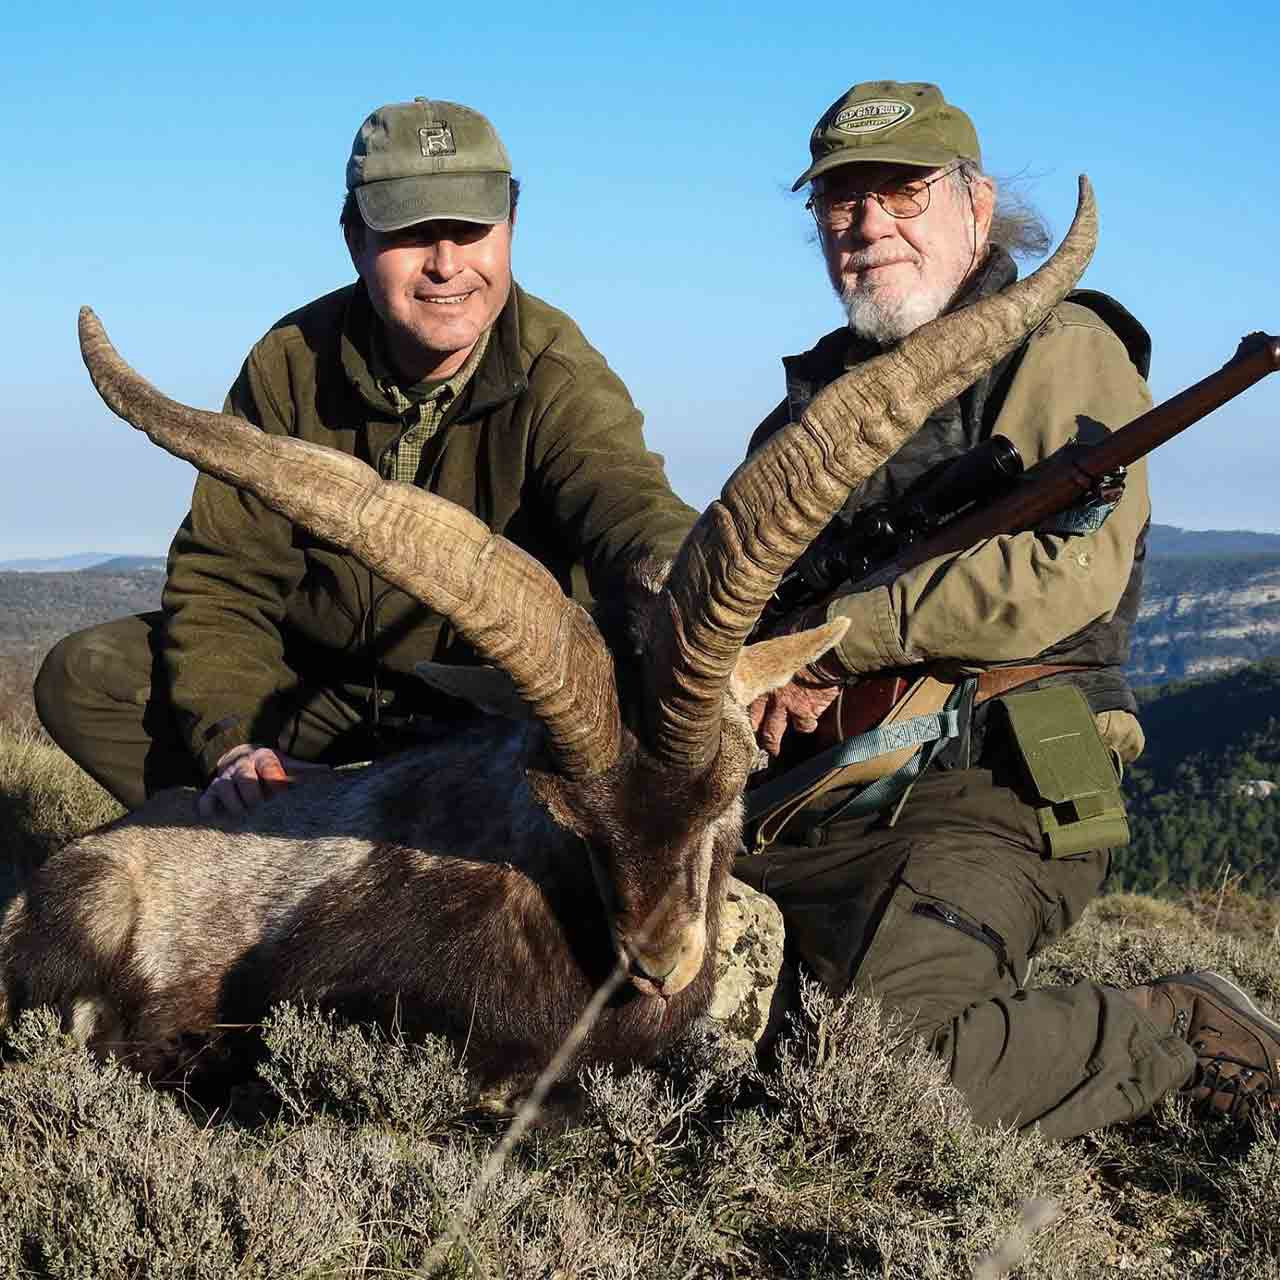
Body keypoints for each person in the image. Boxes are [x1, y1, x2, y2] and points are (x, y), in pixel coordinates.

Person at [735, 80, 1280, 1140]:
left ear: (974, 204)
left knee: (880, 1084)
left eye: (901, 192)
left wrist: (833, 644)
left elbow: (1060, 576)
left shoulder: (1059, 345)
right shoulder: (806, 409)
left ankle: (1179, 1026)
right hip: (807, 795)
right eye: (839, 202)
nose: (866, 225)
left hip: (988, 785)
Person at [36, 97, 696, 818]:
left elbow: (629, 505)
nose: (447, 265)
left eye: (471, 230)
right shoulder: (289, 363)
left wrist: (686, 582)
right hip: (320, 690)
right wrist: (234, 741)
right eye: (411, 232)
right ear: (354, 238)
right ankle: (261, 846)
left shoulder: (557, 371)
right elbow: (226, 576)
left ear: (512, 227)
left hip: (488, 706)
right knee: (87, 678)